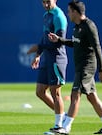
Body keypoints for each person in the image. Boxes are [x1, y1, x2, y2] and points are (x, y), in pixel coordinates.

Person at [48, 1, 102, 134]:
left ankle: (66, 127)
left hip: (87, 67)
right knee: (91, 97)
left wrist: (101, 69)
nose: (68, 14)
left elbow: (97, 47)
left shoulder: (89, 26)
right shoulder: (77, 27)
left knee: (75, 95)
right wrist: (59, 39)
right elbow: (75, 43)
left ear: (76, 12)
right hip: (80, 67)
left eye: (69, 11)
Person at [26, 0, 68, 133]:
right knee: (40, 91)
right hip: (47, 59)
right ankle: (64, 117)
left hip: (57, 59)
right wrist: (38, 55)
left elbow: (59, 43)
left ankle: (59, 126)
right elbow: (45, 38)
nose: (45, 5)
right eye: (43, 2)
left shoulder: (59, 16)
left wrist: (38, 47)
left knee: (55, 93)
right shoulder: (46, 15)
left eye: (48, 1)